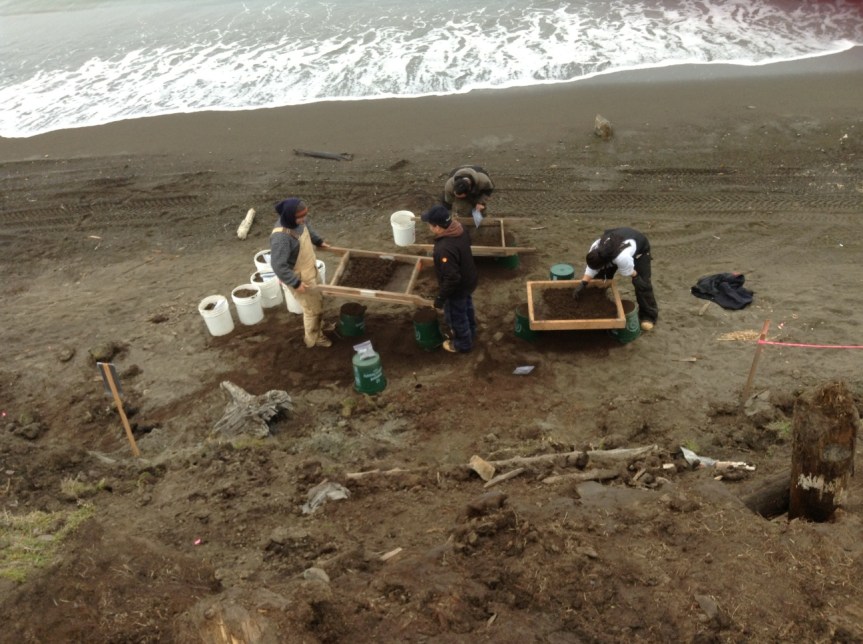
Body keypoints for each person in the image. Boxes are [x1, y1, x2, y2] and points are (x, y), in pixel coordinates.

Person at [269, 198, 333, 348]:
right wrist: (295, 283)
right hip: (299, 276)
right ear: (290, 216)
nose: (304, 219)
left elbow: (307, 228)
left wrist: (318, 241)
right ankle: (313, 338)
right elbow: (278, 265)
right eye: (300, 217)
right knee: (311, 309)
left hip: (311, 267)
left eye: (304, 216)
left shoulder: (299, 222)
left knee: (319, 299)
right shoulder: (281, 237)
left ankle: (320, 324)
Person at [574, 226, 659, 331]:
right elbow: (592, 268)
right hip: (616, 247)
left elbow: (631, 272)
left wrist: (637, 278)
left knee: (642, 283)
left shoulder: (622, 258)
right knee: (600, 276)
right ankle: (599, 301)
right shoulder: (595, 248)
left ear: (605, 263)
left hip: (639, 251)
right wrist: (583, 283)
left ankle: (648, 316)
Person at [421, 204, 478, 353]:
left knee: (456, 317)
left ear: (438, 227)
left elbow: (452, 278)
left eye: (430, 224)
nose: (429, 227)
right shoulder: (460, 229)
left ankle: (462, 344)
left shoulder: (444, 248)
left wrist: (440, 298)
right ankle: (471, 332)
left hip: (457, 288)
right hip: (469, 279)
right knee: (467, 308)